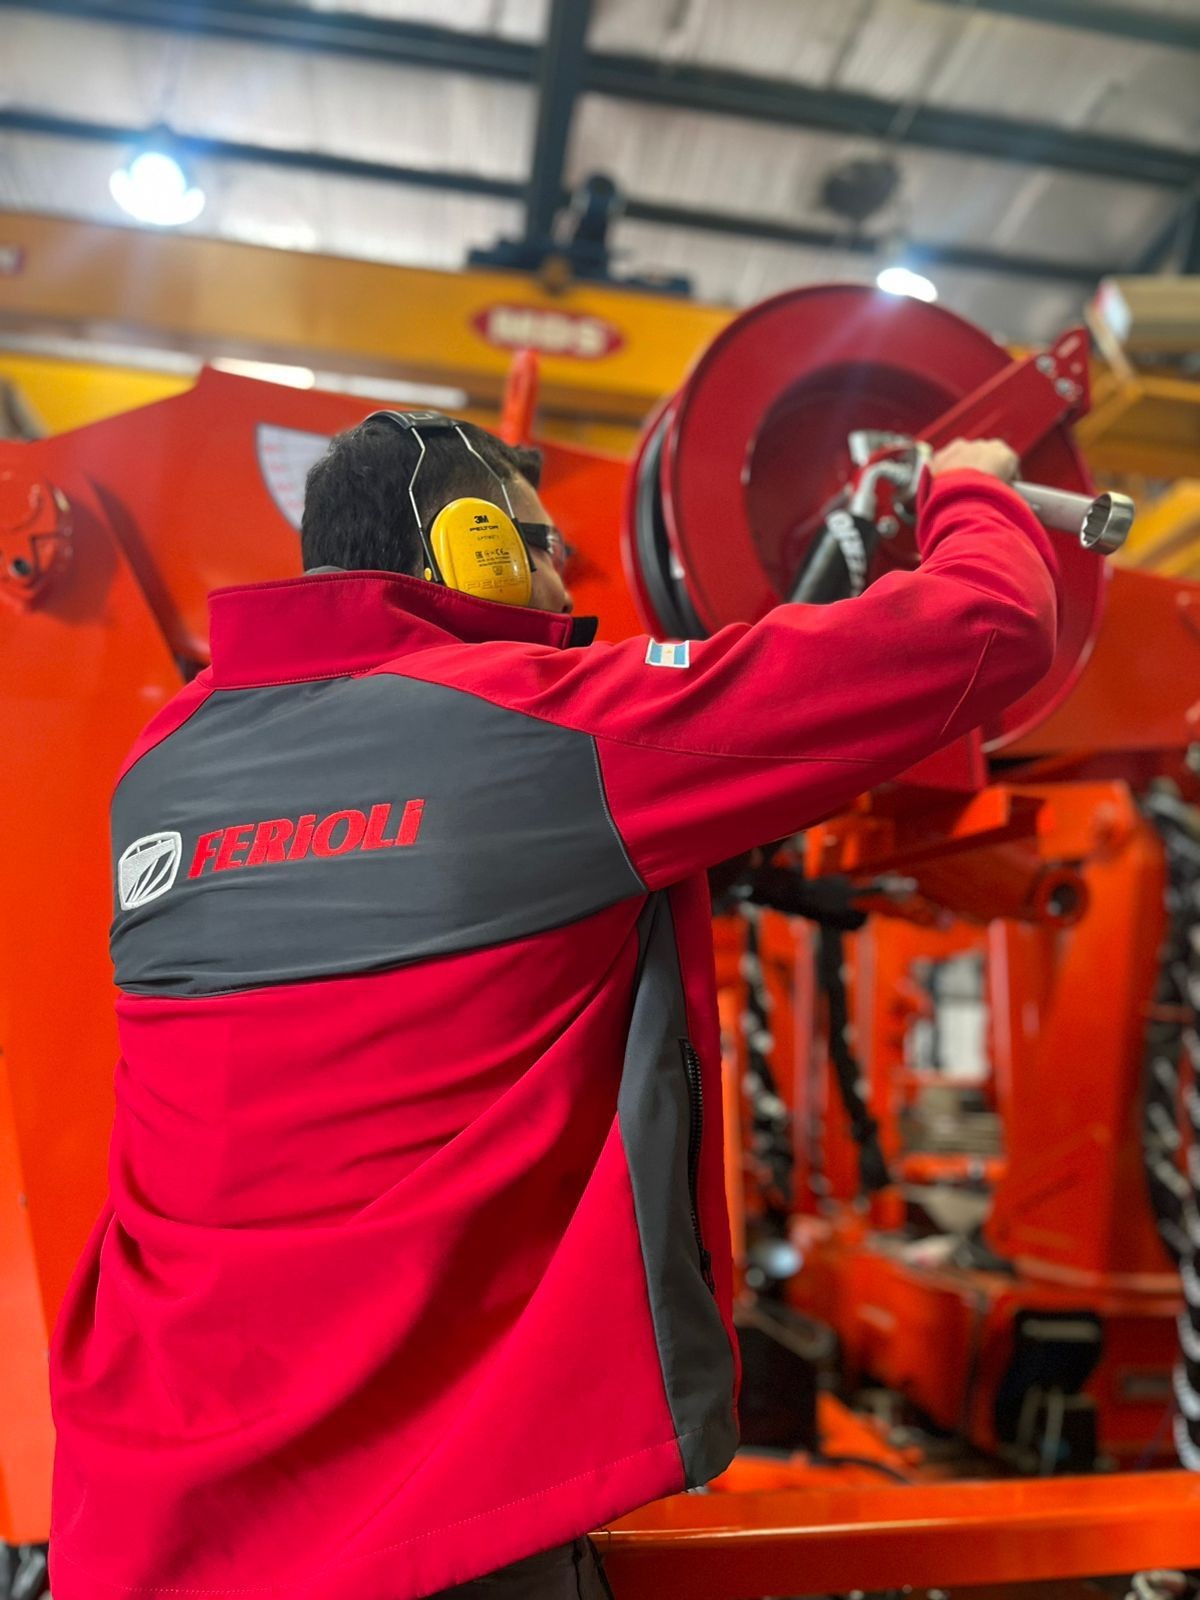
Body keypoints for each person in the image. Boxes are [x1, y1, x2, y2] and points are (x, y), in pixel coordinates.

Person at [49, 414, 1057, 1600]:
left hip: (148, 1506)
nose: (563, 590)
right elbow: (989, 629)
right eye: (544, 551)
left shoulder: (158, 764)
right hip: (422, 1522)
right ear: (474, 546)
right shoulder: (540, 727)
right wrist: (968, 495)